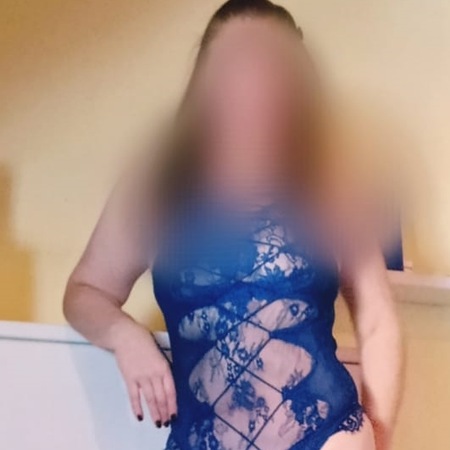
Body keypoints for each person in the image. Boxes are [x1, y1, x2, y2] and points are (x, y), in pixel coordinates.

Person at [63, 1, 403, 449]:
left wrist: (381, 434)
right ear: (206, 77)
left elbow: (378, 321)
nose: (253, 84)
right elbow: (84, 292)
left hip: (324, 435)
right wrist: (125, 336)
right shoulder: (160, 181)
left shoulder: (326, 182)